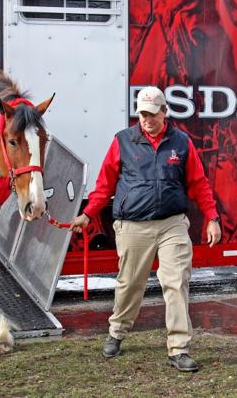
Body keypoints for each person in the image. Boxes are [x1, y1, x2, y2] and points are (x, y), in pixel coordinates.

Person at [71, 86, 222, 373]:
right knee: (130, 284)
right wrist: (88, 214)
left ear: (164, 112)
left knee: (176, 282)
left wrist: (212, 217)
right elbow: (105, 185)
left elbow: (199, 184)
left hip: (172, 224)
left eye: (152, 114)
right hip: (132, 225)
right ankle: (117, 331)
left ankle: (179, 349)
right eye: (142, 114)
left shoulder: (181, 143)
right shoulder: (123, 141)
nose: (147, 120)